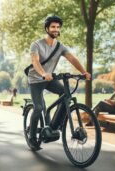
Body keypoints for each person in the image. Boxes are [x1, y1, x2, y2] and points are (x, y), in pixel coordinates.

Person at [27, 15, 91, 150]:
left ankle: (55, 125)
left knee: (65, 94)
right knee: (38, 108)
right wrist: (43, 73)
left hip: (50, 79)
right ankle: (32, 138)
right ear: (47, 28)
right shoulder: (36, 44)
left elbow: (72, 59)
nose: (56, 29)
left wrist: (83, 72)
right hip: (36, 80)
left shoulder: (60, 46)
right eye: (53, 27)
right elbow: (35, 61)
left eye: (58, 27)